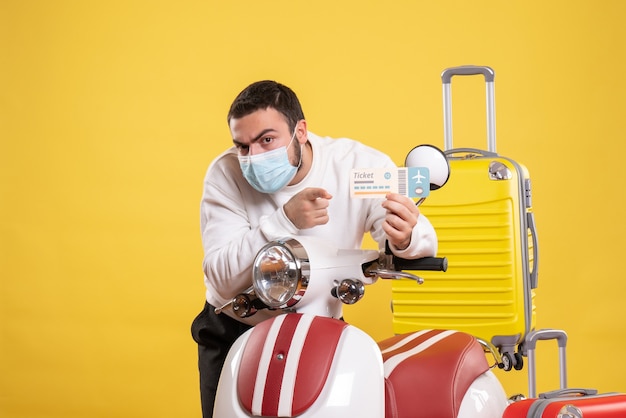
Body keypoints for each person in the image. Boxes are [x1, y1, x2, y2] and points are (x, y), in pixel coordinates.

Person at [190, 80, 437, 417]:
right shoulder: (226, 173)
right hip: (237, 326)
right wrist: (285, 219)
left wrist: (406, 237)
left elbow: (409, 240)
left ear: (300, 131)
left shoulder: (357, 164)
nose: (253, 157)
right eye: (242, 146)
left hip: (318, 325)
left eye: (266, 140)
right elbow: (220, 277)